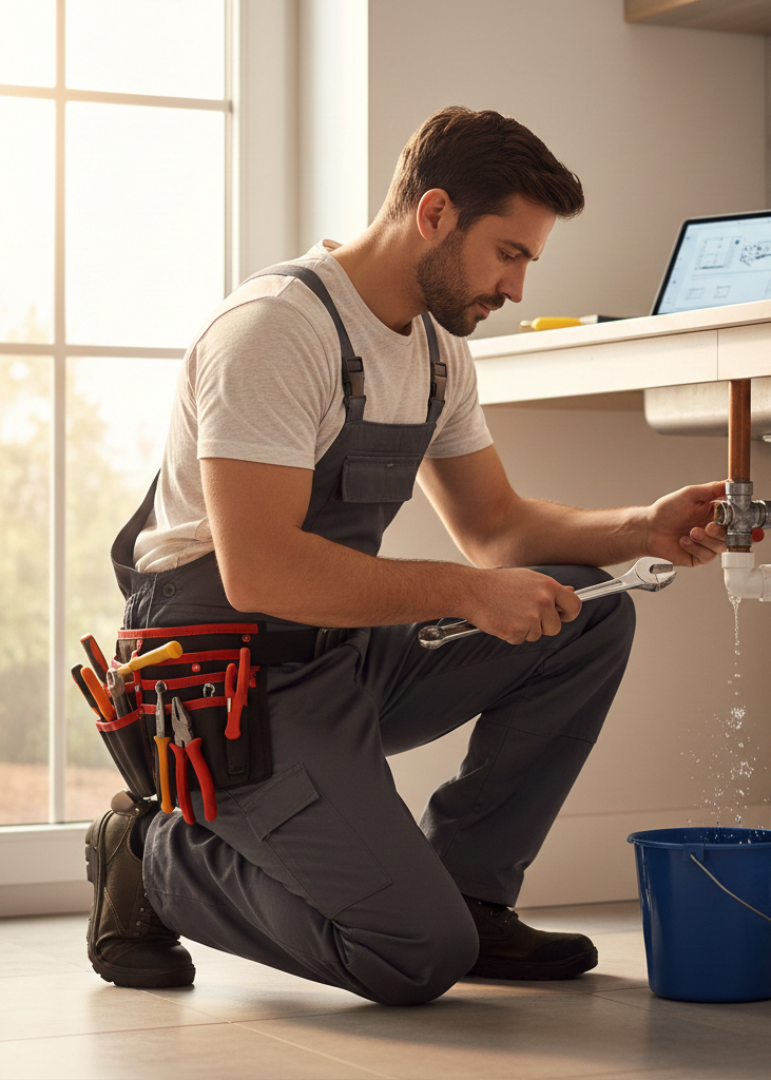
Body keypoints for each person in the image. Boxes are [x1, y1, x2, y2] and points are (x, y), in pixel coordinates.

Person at [85, 106, 727, 1005]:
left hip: (342, 652)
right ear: (432, 215)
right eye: (509, 253)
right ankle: (157, 854)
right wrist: (467, 595)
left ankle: (473, 895)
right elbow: (259, 571)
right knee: (413, 956)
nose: (516, 288)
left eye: (528, 261)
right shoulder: (276, 330)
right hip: (228, 686)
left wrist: (639, 530)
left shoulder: (433, 351)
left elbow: (495, 526)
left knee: (593, 609)